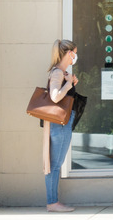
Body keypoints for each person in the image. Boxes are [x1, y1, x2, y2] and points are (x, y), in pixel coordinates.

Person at [45, 39, 80, 212]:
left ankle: (53, 202)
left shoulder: (62, 72)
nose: (76, 56)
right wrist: (68, 84)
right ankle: (52, 203)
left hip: (62, 123)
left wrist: (71, 83)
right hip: (59, 123)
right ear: (69, 53)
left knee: (55, 164)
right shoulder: (58, 72)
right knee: (54, 165)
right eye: (75, 53)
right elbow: (55, 97)